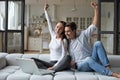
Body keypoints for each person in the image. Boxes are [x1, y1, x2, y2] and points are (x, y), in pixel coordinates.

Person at [64, 2, 120, 78]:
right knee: (88, 60)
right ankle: (111, 73)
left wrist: (96, 9)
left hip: (92, 59)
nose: (66, 33)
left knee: (98, 43)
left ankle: (107, 66)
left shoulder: (83, 35)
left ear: (74, 30)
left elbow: (94, 24)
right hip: (81, 66)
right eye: (65, 31)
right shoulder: (67, 42)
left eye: (68, 31)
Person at [31, 3, 71, 72]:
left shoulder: (64, 40)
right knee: (32, 59)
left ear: (63, 30)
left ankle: (53, 69)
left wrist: (55, 66)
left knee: (67, 57)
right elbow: (49, 22)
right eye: (57, 27)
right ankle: (49, 70)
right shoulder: (53, 35)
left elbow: (63, 56)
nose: (58, 29)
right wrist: (45, 10)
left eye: (61, 28)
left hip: (59, 63)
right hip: (51, 63)